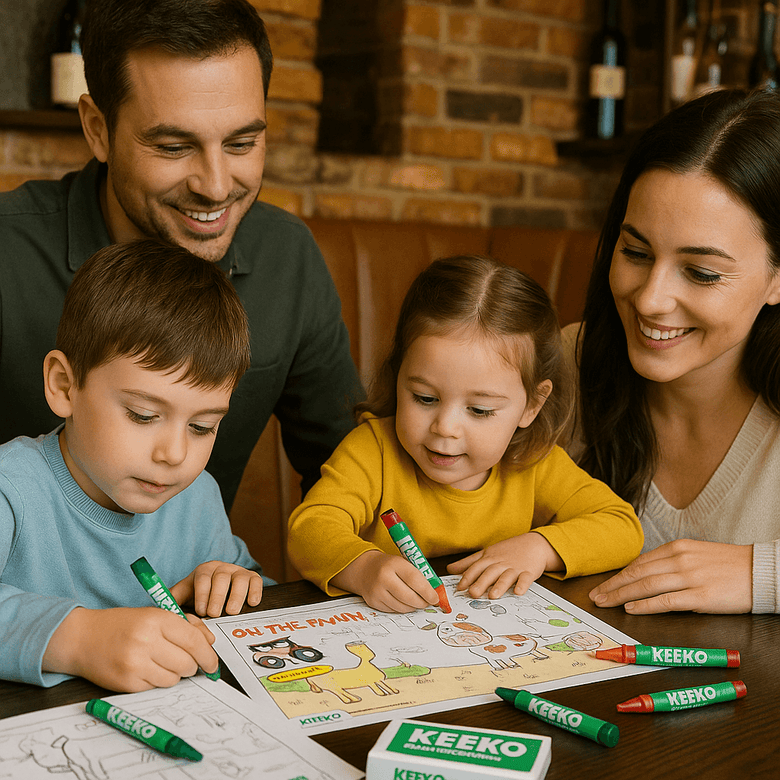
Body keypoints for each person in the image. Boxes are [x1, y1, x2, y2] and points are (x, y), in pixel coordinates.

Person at [0, 0, 362, 511]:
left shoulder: (287, 257)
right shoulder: (7, 252)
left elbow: (350, 472)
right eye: (173, 147)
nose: (216, 187)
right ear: (98, 129)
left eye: (241, 143)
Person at [287, 256, 643, 612]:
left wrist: (539, 548)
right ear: (398, 377)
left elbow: (622, 527)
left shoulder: (535, 462)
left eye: (480, 410)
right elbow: (310, 529)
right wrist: (363, 568)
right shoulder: (372, 451)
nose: (445, 427)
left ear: (532, 405)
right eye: (425, 398)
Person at [0, 239, 268, 691]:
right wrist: (80, 639)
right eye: (143, 416)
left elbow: (258, 590)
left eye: (201, 427)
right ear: (64, 386)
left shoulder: (197, 495)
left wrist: (230, 582)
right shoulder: (11, 487)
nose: (175, 454)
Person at [568, 88, 780, 615]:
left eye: (702, 273)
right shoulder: (558, 365)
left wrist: (761, 574)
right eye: (635, 252)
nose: (650, 299)